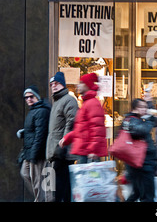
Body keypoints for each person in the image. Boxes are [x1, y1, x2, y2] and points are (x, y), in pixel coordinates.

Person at [59, 73, 108, 164]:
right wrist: (68, 137)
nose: (78, 85)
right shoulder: (87, 103)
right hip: (85, 152)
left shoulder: (92, 103)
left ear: (87, 85)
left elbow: (97, 130)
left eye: (81, 82)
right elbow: (82, 129)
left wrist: (93, 150)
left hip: (88, 154)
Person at [46, 71, 78, 202]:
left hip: (63, 151)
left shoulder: (69, 100)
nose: (54, 86)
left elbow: (72, 122)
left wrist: (63, 143)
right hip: (57, 150)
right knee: (63, 185)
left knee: (61, 185)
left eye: (57, 83)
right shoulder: (57, 101)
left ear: (63, 85)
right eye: (52, 84)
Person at [17, 85, 51, 202]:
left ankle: (41, 199)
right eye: (26, 98)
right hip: (29, 152)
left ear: (36, 96)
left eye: (31, 96)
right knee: (25, 173)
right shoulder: (34, 110)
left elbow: (40, 135)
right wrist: (24, 132)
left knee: (37, 182)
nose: (28, 99)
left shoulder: (41, 111)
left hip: (36, 153)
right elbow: (33, 130)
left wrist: (34, 155)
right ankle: (41, 198)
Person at [124, 98, 157, 202]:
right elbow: (142, 130)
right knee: (147, 196)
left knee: (137, 193)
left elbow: (156, 121)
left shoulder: (138, 120)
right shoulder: (131, 120)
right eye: (141, 107)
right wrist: (148, 119)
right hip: (142, 164)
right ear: (134, 108)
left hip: (141, 163)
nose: (144, 110)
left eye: (145, 107)